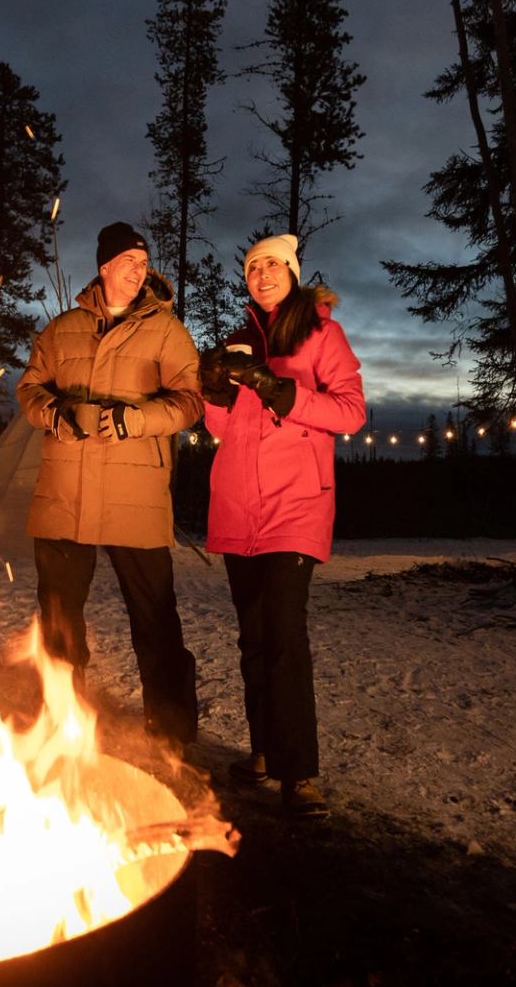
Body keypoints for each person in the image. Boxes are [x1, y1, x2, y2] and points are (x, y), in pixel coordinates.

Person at [16, 222, 205, 746]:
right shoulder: (62, 328)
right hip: (66, 491)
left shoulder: (165, 330)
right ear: (104, 266)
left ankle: (171, 734)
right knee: (58, 615)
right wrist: (58, 413)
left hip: (134, 495)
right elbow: (29, 390)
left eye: (144, 262)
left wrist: (136, 420)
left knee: (155, 617)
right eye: (129, 260)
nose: (140, 269)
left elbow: (191, 400)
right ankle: (61, 720)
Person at [201, 233, 365, 817]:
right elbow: (222, 426)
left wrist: (285, 392)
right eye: (253, 266)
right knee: (253, 637)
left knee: (285, 634)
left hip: (296, 503)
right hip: (238, 503)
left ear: (293, 272)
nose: (263, 274)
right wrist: (214, 390)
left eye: (273, 264)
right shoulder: (239, 338)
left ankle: (302, 773)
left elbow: (351, 410)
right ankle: (266, 752)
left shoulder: (322, 333)